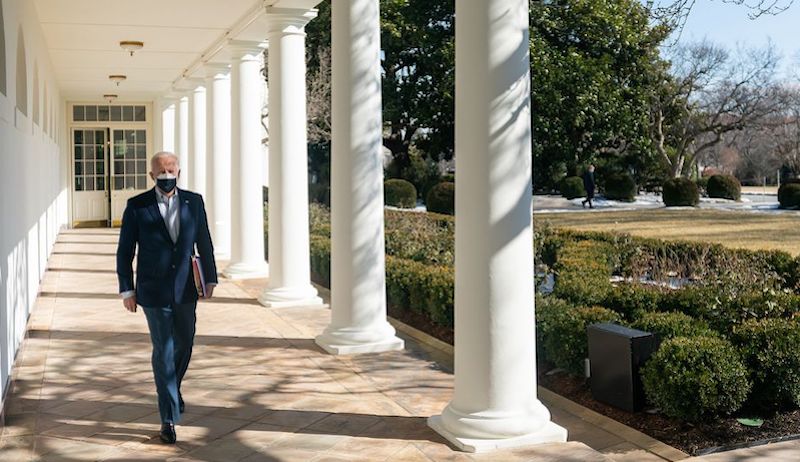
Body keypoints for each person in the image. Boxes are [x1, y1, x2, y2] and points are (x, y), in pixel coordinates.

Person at [116, 152, 217, 444]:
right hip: (153, 291)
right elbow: (125, 251)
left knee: (185, 342)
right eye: (161, 170)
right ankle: (168, 418)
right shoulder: (137, 206)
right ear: (151, 175)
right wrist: (127, 289)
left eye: (171, 168)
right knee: (163, 350)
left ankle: (173, 388)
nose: (166, 173)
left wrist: (210, 277)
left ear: (179, 171)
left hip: (186, 288)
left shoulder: (194, 202)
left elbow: (204, 241)